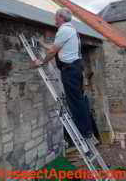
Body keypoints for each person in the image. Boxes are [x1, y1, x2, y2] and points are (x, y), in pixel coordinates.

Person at [33, 8, 93, 138]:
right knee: (78, 99)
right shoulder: (70, 30)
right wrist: (42, 43)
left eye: (55, 17)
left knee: (75, 101)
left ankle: (84, 131)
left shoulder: (63, 30)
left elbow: (53, 51)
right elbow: (56, 47)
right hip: (75, 68)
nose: (54, 19)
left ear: (60, 17)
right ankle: (87, 129)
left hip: (70, 70)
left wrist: (42, 62)